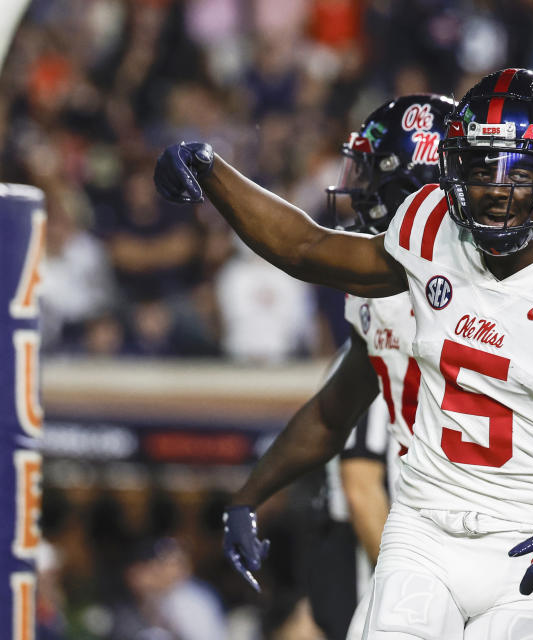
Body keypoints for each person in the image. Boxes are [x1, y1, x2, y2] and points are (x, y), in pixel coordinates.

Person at [155, 67, 533, 639]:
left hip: (528, 541)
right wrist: (212, 169)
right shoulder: (428, 229)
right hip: (422, 534)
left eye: (520, 169)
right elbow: (307, 247)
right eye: (480, 167)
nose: (496, 188)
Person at [222, 93, 455, 640]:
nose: (359, 189)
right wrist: (248, 496)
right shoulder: (387, 294)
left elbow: (302, 246)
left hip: (449, 551)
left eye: (373, 172)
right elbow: (332, 411)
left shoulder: (413, 290)